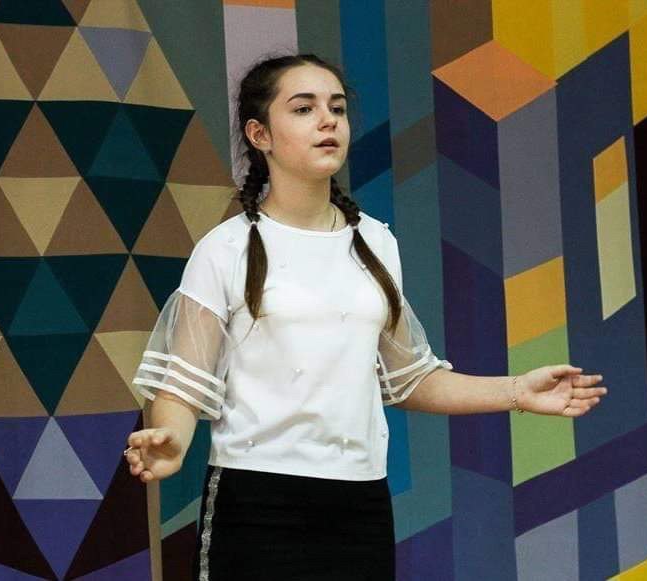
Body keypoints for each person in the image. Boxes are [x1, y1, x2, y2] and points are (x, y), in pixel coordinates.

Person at [122, 53, 607, 581]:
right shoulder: (225, 249)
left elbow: (410, 377)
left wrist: (517, 391)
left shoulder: (376, 242)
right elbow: (184, 384)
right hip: (256, 502)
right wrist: (171, 439)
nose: (327, 121)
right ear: (260, 135)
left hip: (360, 503)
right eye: (303, 109)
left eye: (336, 108)